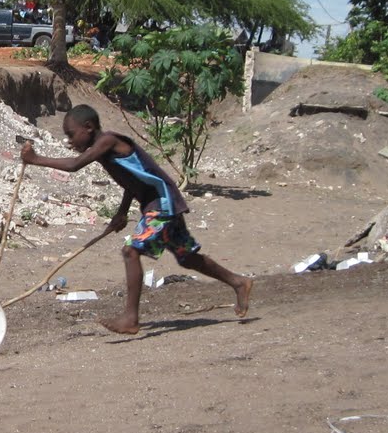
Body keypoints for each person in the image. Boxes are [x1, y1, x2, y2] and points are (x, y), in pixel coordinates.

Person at [19, 104, 253, 334]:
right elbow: (132, 181)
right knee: (187, 258)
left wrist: (36, 159)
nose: (70, 142)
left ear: (88, 127)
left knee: (131, 251)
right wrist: (121, 213)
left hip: (162, 202)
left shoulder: (107, 141)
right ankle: (238, 282)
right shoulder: (104, 150)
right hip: (159, 202)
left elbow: (74, 165)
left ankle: (131, 318)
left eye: (71, 135)